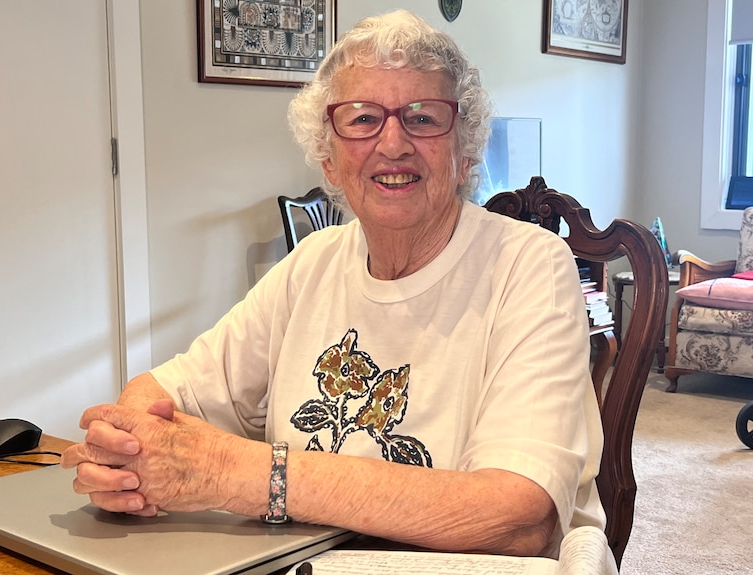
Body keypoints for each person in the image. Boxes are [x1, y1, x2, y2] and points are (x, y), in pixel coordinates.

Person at [61, 9, 614, 571]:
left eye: (423, 118)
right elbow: (159, 391)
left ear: (465, 149)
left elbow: (517, 518)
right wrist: (127, 453)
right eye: (362, 118)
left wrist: (235, 473)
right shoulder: (314, 261)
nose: (393, 143)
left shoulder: (530, 265)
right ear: (328, 156)